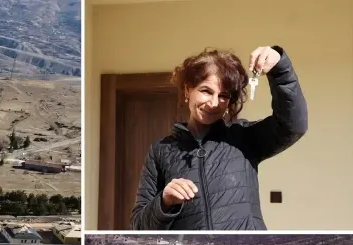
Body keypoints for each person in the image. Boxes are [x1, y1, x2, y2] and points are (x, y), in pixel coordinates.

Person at [131, 46, 308, 231]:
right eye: (206, 91)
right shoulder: (161, 151)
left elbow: (294, 125)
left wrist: (280, 69)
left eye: (223, 96)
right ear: (187, 90)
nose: (214, 103)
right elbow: (138, 227)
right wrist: (164, 202)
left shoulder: (244, 137)